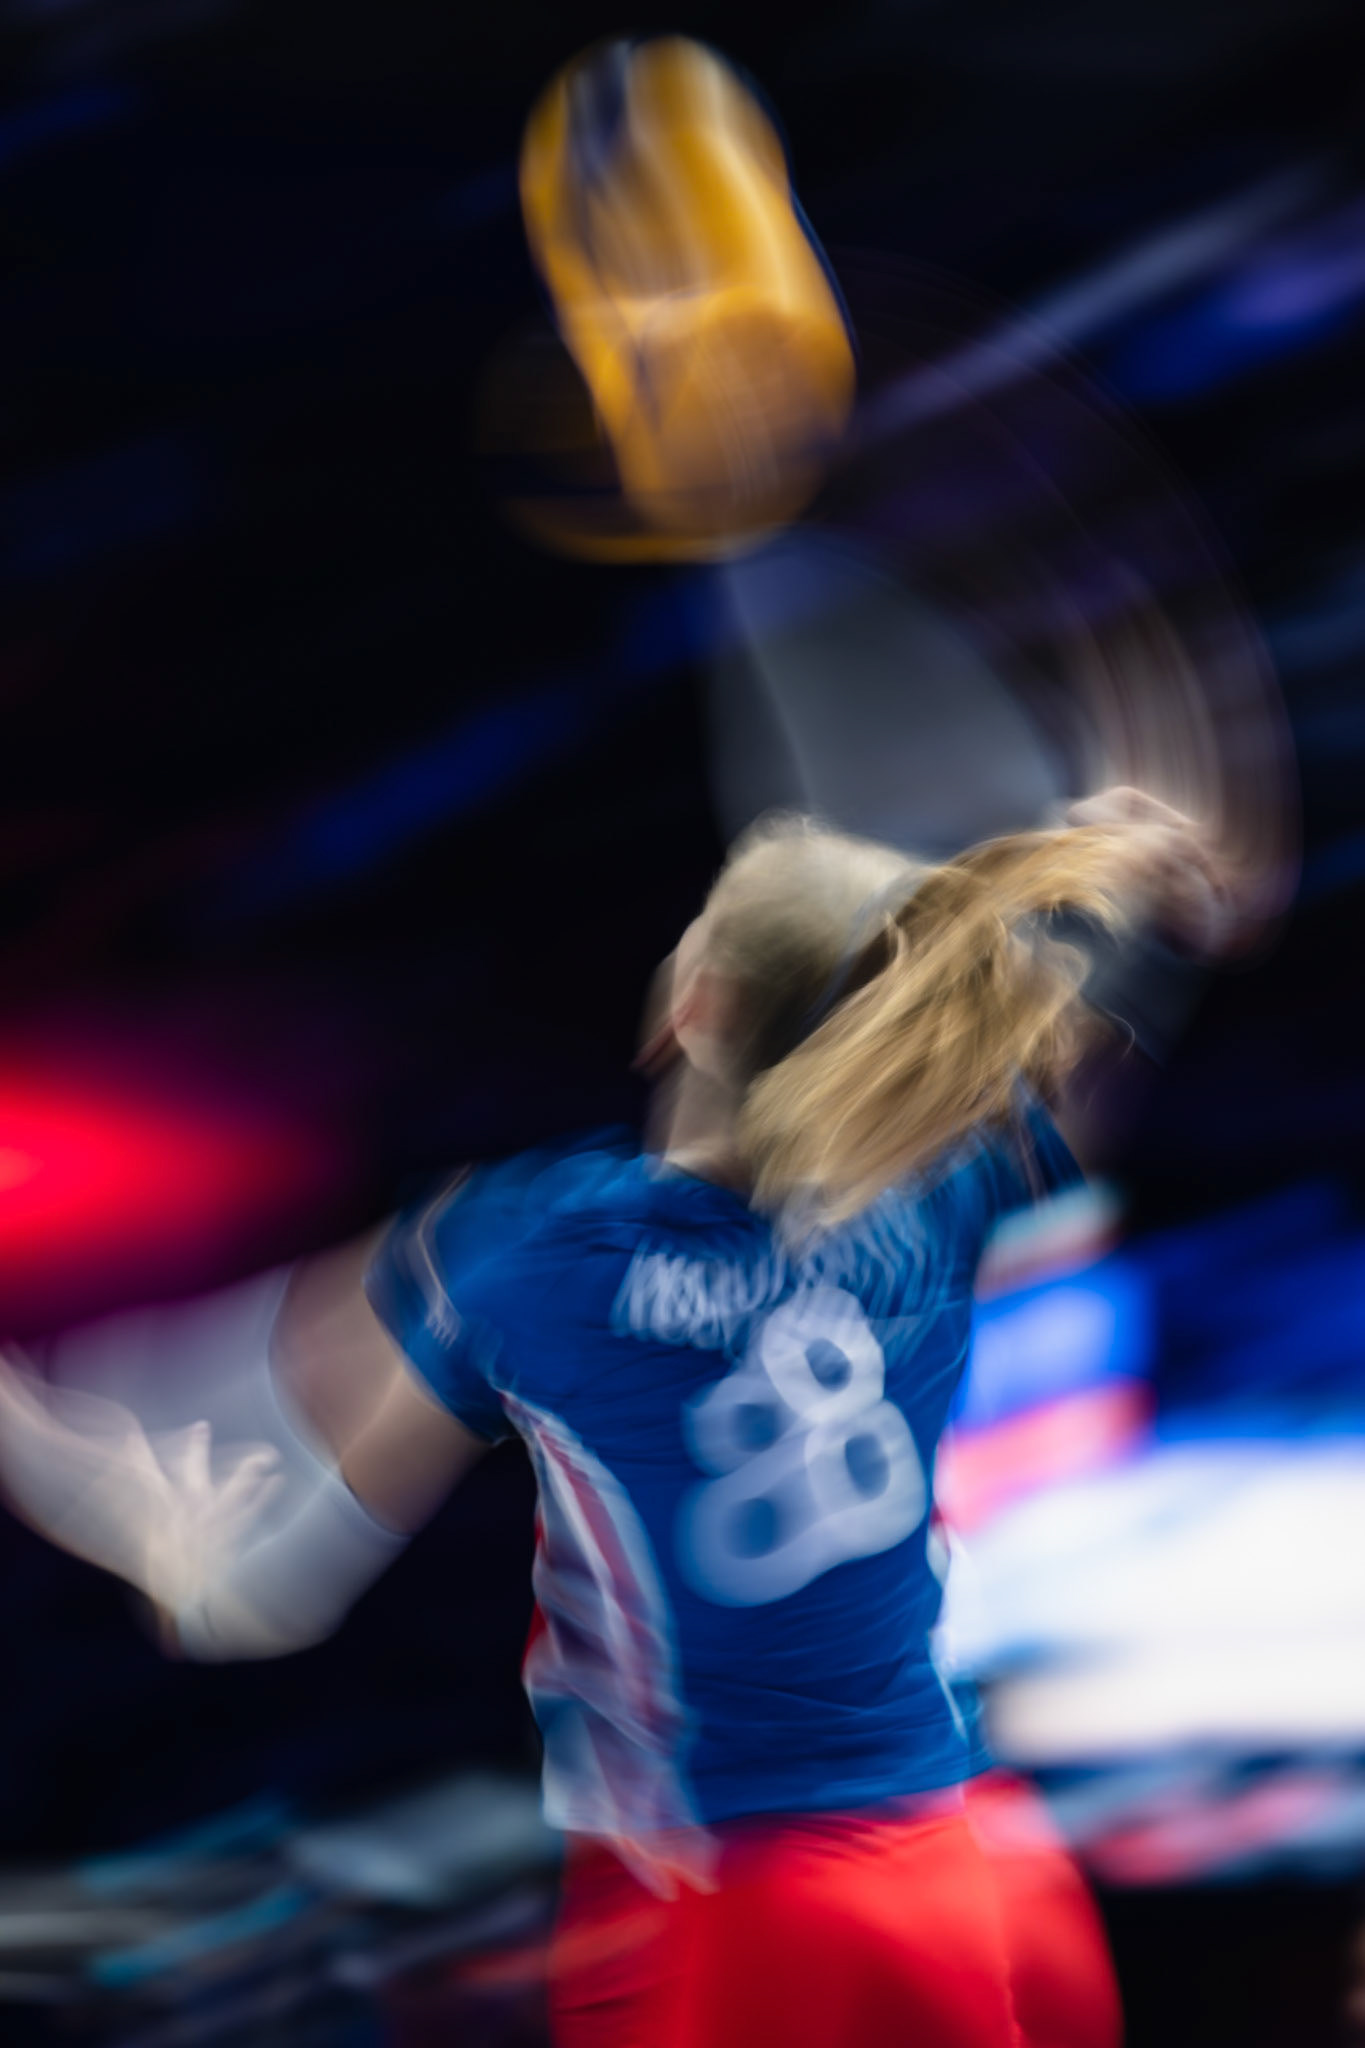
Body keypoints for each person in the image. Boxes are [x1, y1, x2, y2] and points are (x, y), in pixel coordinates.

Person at [0, 784, 1230, 2045]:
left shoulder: (541, 1249)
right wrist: (1148, 877)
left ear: (690, 1002)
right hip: (971, 1862)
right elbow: (1093, 1025)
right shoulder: (941, 1189)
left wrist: (84, 1469)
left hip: (745, 1905)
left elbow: (247, 1594)